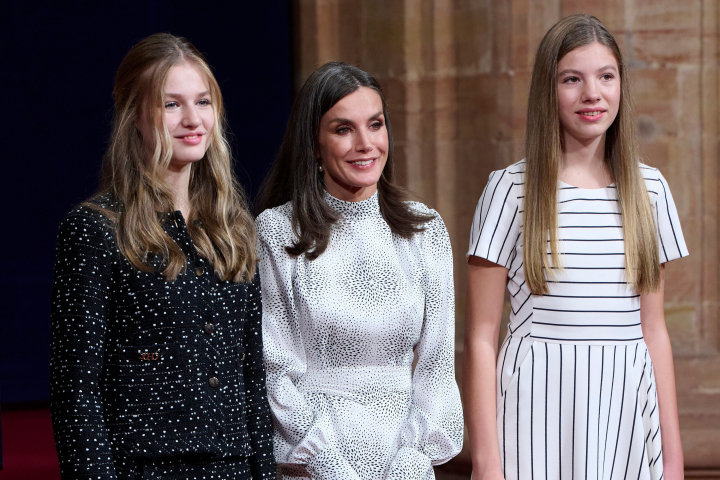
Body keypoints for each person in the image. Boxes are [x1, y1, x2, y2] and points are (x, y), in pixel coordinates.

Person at [463, 14, 687, 480]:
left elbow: (654, 330)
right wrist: (486, 463)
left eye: (606, 76)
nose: (592, 93)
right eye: (572, 79)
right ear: (548, 90)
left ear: (621, 85)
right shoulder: (510, 190)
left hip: (625, 413)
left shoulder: (650, 191)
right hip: (536, 411)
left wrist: (673, 459)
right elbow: (482, 336)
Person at [49, 33, 275, 479]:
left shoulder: (233, 230)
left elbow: (252, 379)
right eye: (171, 104)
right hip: (146, 469)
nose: (192, 119)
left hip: (234, 467)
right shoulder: (96, 230)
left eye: (203, 102)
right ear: (134, 115)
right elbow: (76, 393)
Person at [256, 61, 463, 480]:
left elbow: (437, 366)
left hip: (404, 463)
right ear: (314, 144)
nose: (365, 144)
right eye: (343, 129)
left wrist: (411, 462)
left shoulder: (424, 229)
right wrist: (329, 466)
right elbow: (275, 370)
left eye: (375, 124)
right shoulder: (278, 230)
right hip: (315, 463)